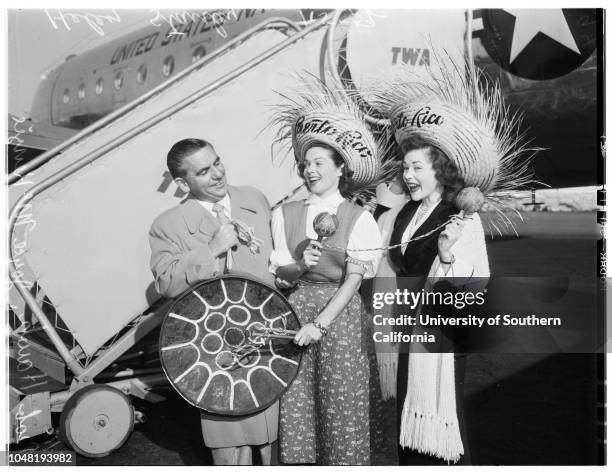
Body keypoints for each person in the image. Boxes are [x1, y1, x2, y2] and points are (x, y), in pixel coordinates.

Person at [372, 59, 534, 464]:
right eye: (405, 167)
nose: (408, 175)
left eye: (417, 167)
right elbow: (392, 260)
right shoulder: (407, 213)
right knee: (407, 425)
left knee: (443, 424)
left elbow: (476, 284)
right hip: (409, 325)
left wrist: (446, 253)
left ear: (440, 170)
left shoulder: (461, 218)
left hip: (443, 331)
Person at [268, 80, 395, 465]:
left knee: (343, 402)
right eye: (306, 165)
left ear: (341, 169)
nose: (310, 170)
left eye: (319, 163)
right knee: (299, 401)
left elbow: (354, 279)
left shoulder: (358, 218)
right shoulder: (283, 214)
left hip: (339, 320)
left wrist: (319, 324)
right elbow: (280, 278)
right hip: (294, 313)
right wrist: (296, 266)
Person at [148, 138, 278, 465]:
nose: (218, 174)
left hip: (269, 337)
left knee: (276, 439)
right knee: (231, 440)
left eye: (217, 162)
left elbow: (274, 259)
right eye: (204, 171)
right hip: (217, 346)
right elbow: (166, 282)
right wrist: (211, 250)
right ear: (182, 183)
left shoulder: (255, 198)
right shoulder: (168, 225)